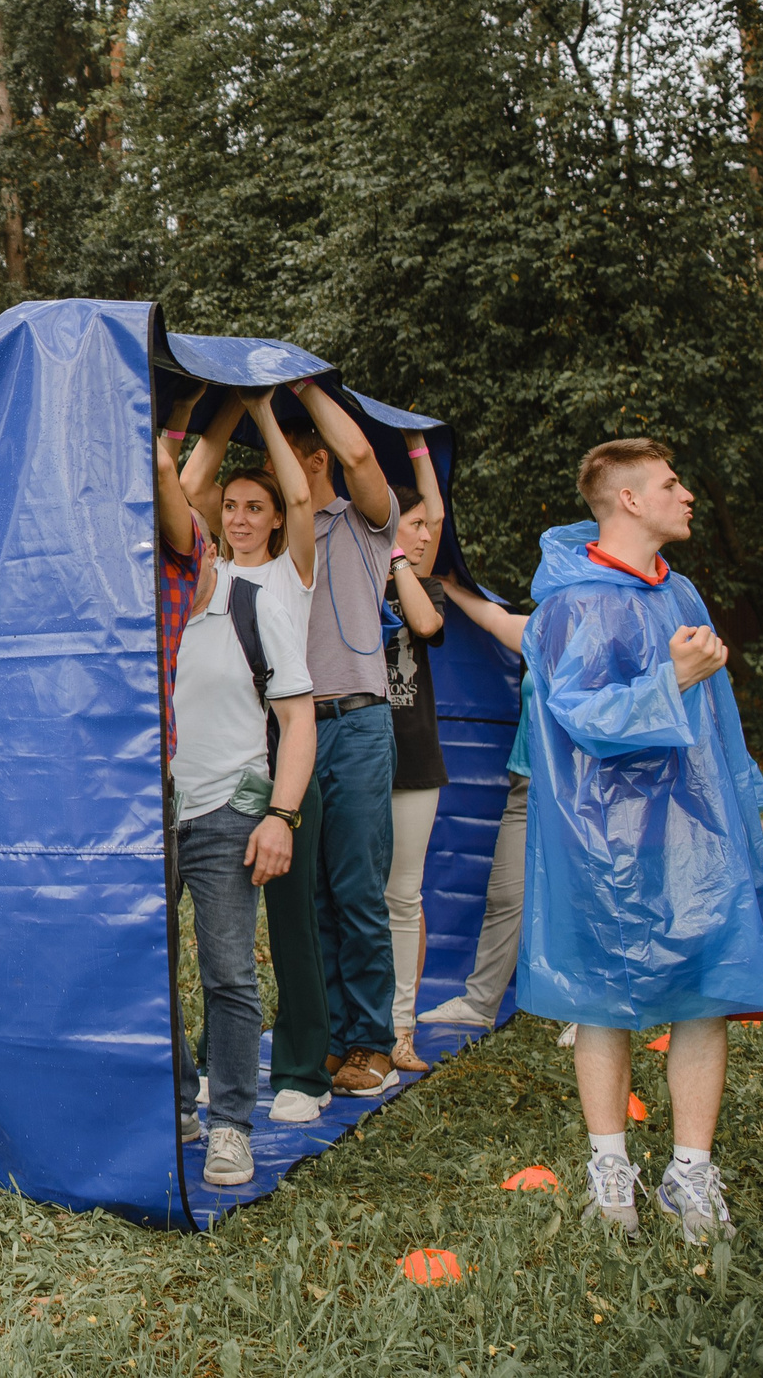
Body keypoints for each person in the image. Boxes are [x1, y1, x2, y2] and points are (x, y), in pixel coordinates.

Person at [523, 437, 763, 1243]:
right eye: (672, 482)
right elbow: (581, 716)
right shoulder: (575, 601)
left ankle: (690, 1173)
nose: (687, 493)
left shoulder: (683, 592)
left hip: (695, 829)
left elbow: (721, 721)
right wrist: (671, 678)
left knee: (707, 989)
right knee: (603, 994)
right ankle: (611, 1170)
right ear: (629, 499)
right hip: (602, 835)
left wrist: (757, 808)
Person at [177, 388, 334, 1139]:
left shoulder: (284, 579)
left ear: (273, 520)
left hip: (267, 768)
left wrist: (261, 409)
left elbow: (300, 495)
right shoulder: (191, 583)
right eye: (229, 505)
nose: (239, 516)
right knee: (167, 953)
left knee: (271, 939)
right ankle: (193, 1086)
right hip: (190, 777)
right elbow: (180, 491)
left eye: (253, 506)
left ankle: (290, 1078)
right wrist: (223, 411)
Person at [281, 376, 405, 1097]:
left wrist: (302, 388)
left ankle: (371, 1041)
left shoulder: (365, 524)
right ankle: (328, 1036)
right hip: (296, 728)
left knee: (357, 887)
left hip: (357, 721)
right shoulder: (277, 536)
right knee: (313, 892)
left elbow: (358, 454)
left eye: (286, 465)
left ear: (314, 463)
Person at [421, 575, 530, 1033]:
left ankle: (592, 1015)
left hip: (585, 793)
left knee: (589, 903)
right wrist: (450, 582)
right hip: (529, 784)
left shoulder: (612, 636)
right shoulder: (549, 630)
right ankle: (480, 1003)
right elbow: (494, 619)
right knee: (507, 894)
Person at [378, 458, 447, 1075]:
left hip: (415, 762)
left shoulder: (426, 588)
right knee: (354, 897)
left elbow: (424, 624)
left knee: (403, 895)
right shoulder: (347, 574)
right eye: (415, 525)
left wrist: (399, 559)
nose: (427, 535)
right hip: (352, 754)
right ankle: (354, 1025)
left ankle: (401, 1028)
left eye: (427, 526)